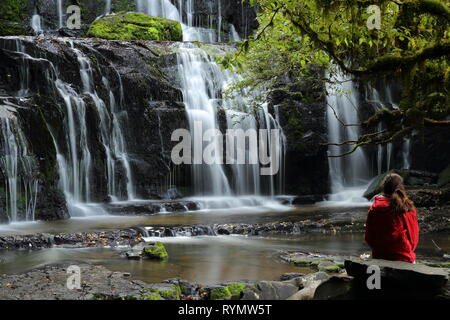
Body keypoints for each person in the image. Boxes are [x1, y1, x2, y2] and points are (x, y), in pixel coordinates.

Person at [365, 173, 419, 263]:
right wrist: (406, 250)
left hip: (379, 256)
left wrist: (379, 250)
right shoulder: (406, 208)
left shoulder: (374, 208)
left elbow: (368, 237)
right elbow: (413, 238)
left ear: (384, 188)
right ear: (401, 187)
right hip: (403, 258)